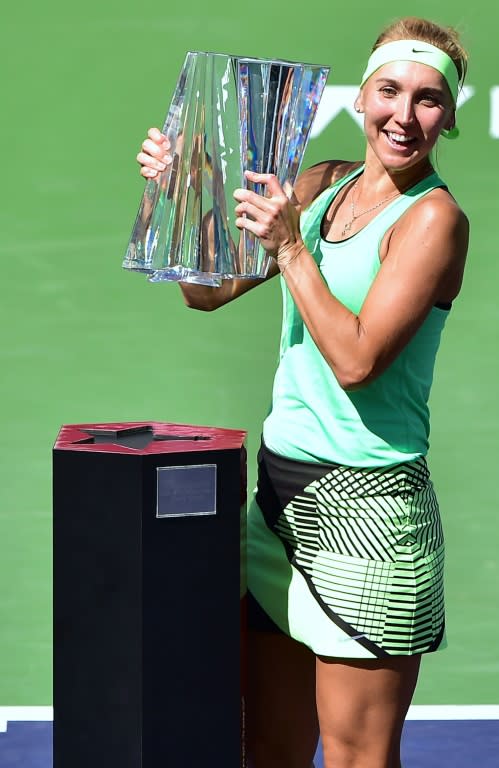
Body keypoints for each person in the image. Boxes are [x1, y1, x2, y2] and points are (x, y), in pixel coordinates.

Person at [136, 15, 469, 768]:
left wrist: (290, 245)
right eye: (389, 91)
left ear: (447, 116)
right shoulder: (317, 185)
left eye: (426, 100)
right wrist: (174, 191)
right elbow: (207, 294)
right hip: (275, 503)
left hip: (371, 524)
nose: (403, 115)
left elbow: (357, 361)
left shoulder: (433, 222)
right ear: (362, 99)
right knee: (270, 751)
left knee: (357, 760)